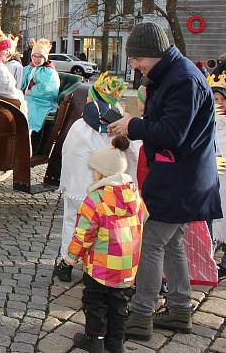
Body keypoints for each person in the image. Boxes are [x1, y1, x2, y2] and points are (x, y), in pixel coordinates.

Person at [106, 22, 222, 340]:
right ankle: (180, 310)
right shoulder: (172, 74)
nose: (133, 65)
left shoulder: (182, 79)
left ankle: (141, 316)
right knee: (172, 243)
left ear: (153, 54)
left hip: (181, 179)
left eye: (136, 59)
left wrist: (134, 125)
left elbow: (173, 134)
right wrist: (135, 123)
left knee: (152, 244)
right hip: (184, 177)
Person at [54, 72, 139, 283]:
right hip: (106, 192)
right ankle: (95, 264)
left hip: (78, 188)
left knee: (73, 221)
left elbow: (68, 154)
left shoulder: (79, 127)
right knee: (103, 227)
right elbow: (129, 156)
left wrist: (66, 182)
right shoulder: (119, 128)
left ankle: (67, 262)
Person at [65, 137, 147, 353]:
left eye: (95, 170)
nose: (93, 174)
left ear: (102, 174)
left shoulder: (96, 199)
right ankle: (116, 341)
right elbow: (143, 219)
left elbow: (84, 234)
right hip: (126, 265)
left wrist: (71, 257)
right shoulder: (134, 196)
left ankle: (95, 339)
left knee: (95, 301)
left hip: (101, 265)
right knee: (118, 303)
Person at [21, 38, 60, 138]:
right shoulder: (29, 68)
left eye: (40, 57)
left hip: (41, 100)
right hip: (27, 95)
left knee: (28, 106)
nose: (36, 59)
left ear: (45, 58)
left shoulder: (49, 71)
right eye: (34, 56)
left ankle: (28, 133)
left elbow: (48, 89)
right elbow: (21, 80)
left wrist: (30, 92)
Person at [208, 73, 226, 279]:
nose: (218, 104)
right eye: (214, 100)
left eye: (221, 100)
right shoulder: (208, 122)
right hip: (213, 177)